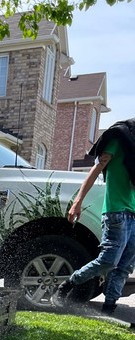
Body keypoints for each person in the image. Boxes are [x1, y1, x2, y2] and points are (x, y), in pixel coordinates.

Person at [54, 119, 135, 314]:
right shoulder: (119, 140)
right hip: (116, 211)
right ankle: (67, 285)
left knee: (124, 267)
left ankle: (109, 309)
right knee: (108, 261)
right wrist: (77, 202)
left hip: (133, 215)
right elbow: (95, 169)